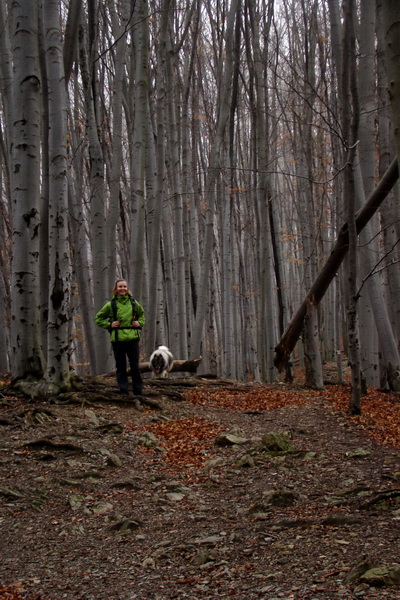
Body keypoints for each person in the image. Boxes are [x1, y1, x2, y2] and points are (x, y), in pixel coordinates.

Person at [95, 279, 145, 396]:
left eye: (124, 286)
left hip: (133, 338)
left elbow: (142, 315)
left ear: (127, 288)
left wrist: (139, 323)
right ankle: (123, 391)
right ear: (116, 289)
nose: (122, 289)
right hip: (117, 340)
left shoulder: (134, 303)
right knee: (121, 367)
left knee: (135, 366)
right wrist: (110, 325)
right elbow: (98, 318)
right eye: (120, 287)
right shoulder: (111, 305)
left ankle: (138, 391)